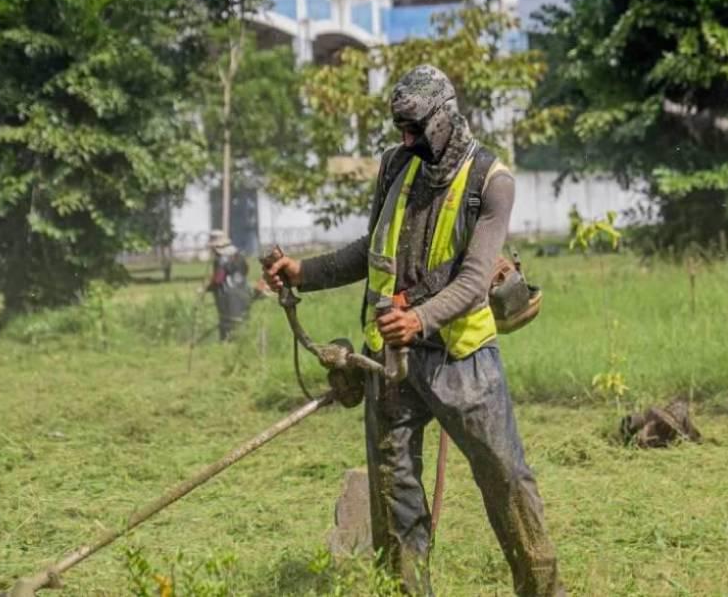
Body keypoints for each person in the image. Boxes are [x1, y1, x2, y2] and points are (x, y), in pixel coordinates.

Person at [263, 65, 566, 597]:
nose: (405, 138)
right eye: (399, 127)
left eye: (415, 127)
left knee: (505, 479)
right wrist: (304, 272)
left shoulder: (491, 182)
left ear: (445, 117)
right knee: (394, 493)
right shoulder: (394, 166)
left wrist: (421, 317)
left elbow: (475, 280)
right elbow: (370, 247)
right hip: (391, 361)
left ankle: (542, 592)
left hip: (461, 361)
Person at [205, 230, 250, 341]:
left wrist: (206, 288)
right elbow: (246, 270)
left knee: (227, 321)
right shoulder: (239, 255)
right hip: (243, 290)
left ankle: (226, 342)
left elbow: (219, 279)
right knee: (241, 320)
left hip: (227, 295)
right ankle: (241, 341)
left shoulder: (220, 259)